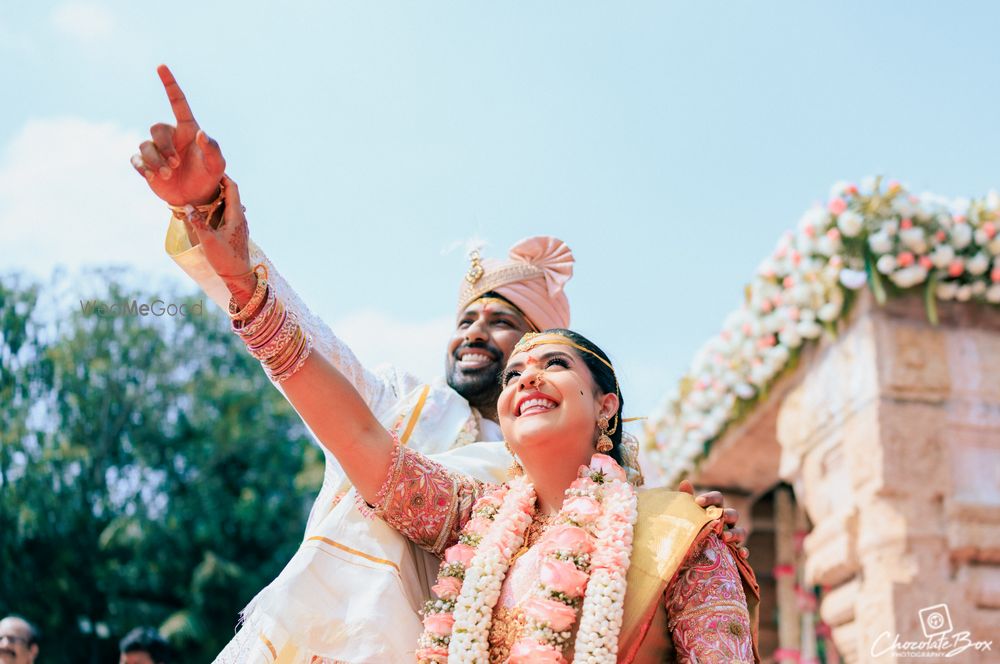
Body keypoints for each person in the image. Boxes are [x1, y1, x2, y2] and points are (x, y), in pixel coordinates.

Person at [131, 64, 749, 662]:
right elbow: (345, 418)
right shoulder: (462, 498)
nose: (514, 366)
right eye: (469, 325)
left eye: (525, 340)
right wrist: (235, 267)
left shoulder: (665, 532)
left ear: (606, 403)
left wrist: (678, 523)